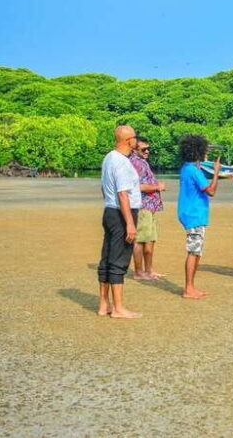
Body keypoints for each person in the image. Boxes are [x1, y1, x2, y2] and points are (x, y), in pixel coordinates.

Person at [97, 125, 142, 319]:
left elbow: (104, 187)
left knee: (107, 257)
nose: (136, 141)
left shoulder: (109, 157)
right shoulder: (122, 163)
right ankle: (118, 308)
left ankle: (103, 305)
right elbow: (123, 194)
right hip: (121, 213)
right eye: (134, 137)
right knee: (119, 259)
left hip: (110, 211)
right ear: (127, 140)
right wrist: (130, 223)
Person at [177, 134, 220, 299]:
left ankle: (191, 287)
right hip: (194, 214)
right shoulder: (194, 171)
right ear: (199, 152)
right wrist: (216, 173)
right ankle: (188, 288)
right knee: (194, 251)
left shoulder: (187, 168)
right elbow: (211, 191)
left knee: (196, 251)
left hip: (190, 213)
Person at [129, 137, 167, 280]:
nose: (147, 151)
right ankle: (139, 272)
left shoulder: (142, 162)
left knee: (150, 239)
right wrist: (158, 187)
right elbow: (137, 186)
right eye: (144, 149)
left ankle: (149, 270)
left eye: (148, 148)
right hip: (142, 206)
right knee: (140, 240)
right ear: (134, 149)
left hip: (150, 207)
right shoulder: (136, 163)